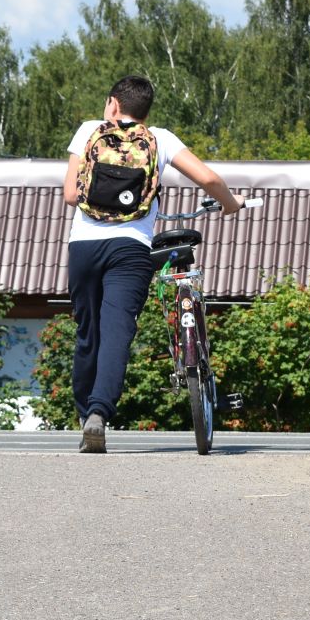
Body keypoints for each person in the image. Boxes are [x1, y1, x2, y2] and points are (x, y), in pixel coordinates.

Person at [62, 75, 240, 453]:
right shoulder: (160, 138)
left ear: (112, 103)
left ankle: (85, 418)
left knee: (88, 334)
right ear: (146, 111)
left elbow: (69, 195)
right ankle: (99, 414)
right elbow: (207, 178)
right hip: (130, 248)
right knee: (116, 335)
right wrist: (230, 204)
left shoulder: (89, 131)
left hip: (83, 248)